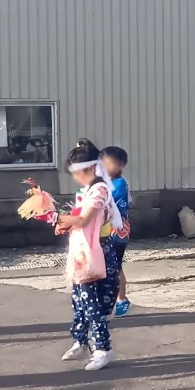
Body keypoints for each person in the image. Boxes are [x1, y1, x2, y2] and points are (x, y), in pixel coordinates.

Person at [56, 139, 124, 371]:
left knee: (93, 301)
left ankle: (103, 348)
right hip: (85, 249)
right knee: (80, 299)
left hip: (98, 251)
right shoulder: (87, 190)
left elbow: (84, 219)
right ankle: (81, 340)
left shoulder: (100, 189)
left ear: (89, 169)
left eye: (77, 173)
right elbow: (78, 217)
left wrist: (55, 217)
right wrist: (63, 223)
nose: (75, 178)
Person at [101, 146, 132, 316]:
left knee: (116, 265)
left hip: (117, 229)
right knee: (107, 265)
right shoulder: (105, 182)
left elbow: (115, 207)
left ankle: (122, 299)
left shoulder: (119, 184)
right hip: (105, 227)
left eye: (109, 164)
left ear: (121, 165)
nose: (105, 167)